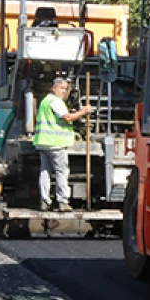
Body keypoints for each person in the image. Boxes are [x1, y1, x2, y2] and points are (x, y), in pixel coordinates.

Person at [32, 78, 91, 212]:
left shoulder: (46, 101)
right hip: (56, 144)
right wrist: (84, 111)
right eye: (61, 88)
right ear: (54, 88)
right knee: (61, 172)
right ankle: (63, 202)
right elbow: (67, 117)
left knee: (45, 172)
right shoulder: (55, 102)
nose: (64, 91)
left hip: (43, 142)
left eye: (66, 89)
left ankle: (44, 201)